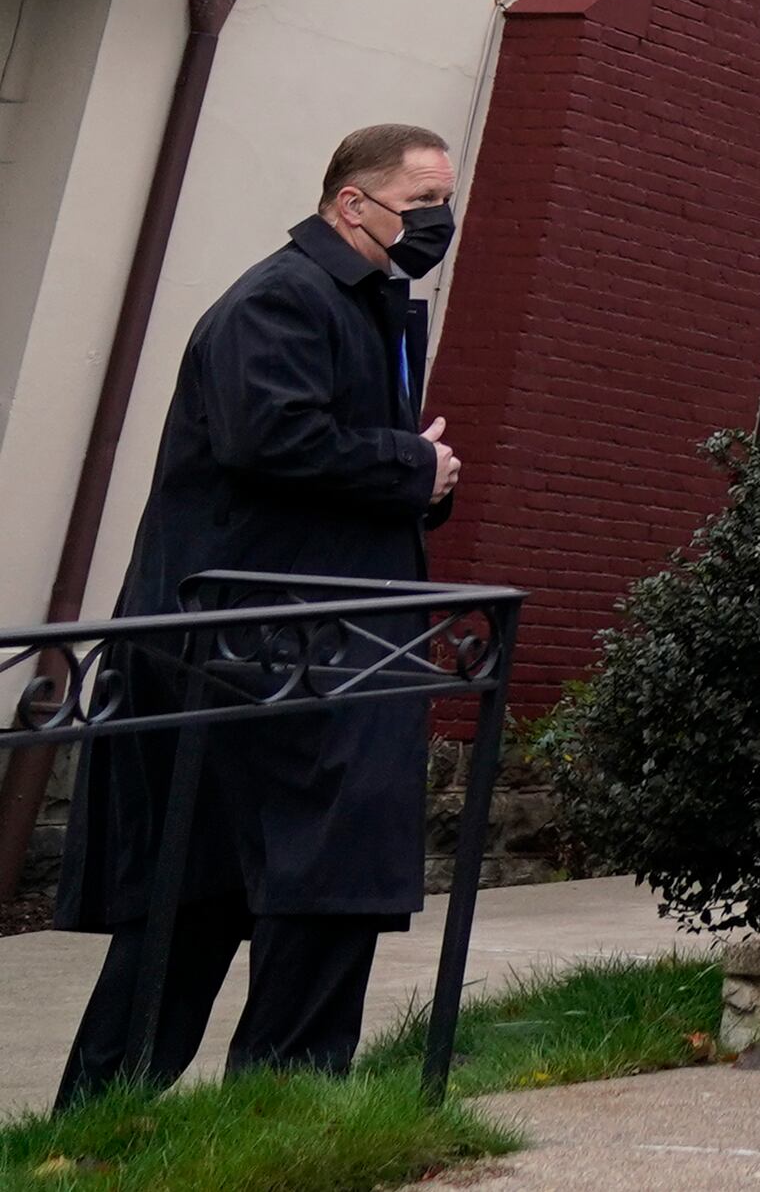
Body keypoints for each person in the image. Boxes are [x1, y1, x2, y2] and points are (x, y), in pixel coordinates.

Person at [57, 128, 463, 1098]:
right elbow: (271, 437)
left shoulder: (356, 304)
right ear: (348, 205)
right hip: (266, 651)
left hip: (303, 644)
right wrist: (412, 465)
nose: (436, 224)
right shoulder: (282, 299)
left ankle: (216, 1114)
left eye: (445, 201)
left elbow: (329, 451)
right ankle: (189, 1111)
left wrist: (425, 478)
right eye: (420, 205)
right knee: (279, 890)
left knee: (240, 897)